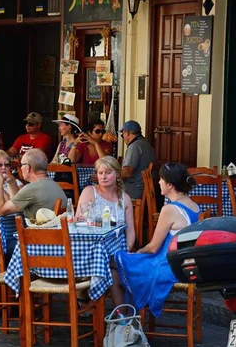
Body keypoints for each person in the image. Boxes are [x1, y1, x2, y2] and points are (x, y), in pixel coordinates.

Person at [111, 163, 200, 316]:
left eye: (161, 179)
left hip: (168, 266)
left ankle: (124, 319)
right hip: (185, 264)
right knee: (124, 264)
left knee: (115, 264)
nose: (158, 182)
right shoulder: (194, 205)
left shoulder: (169, 209)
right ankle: (128, 317)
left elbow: (153, 247)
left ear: (170, 185)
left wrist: (137, 252)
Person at [75, 156, 135, 249]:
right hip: (90, 246)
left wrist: (126, 252)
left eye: (108, 173)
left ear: (118, 174)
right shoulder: (89, 192)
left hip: (116, 248)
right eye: (100, 173)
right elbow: (78, 221)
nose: (103, 177)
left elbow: (130, 231)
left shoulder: (125, 199)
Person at [0, 149, 67, 220]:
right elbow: (16, 206)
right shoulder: (54, 184)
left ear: (28, 168)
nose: (20, 168)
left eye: (21, 165)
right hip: (56, 231)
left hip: (38, 232)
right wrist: (12, 181)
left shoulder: (31, 189)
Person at [120, 120, 157, 200]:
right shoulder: (146, 144)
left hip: (133, 190)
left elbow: (127, 172)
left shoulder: (134, 147)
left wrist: (110, 174)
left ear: (127, 133)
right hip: (144, 188)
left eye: (122, 135)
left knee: (105, 190)